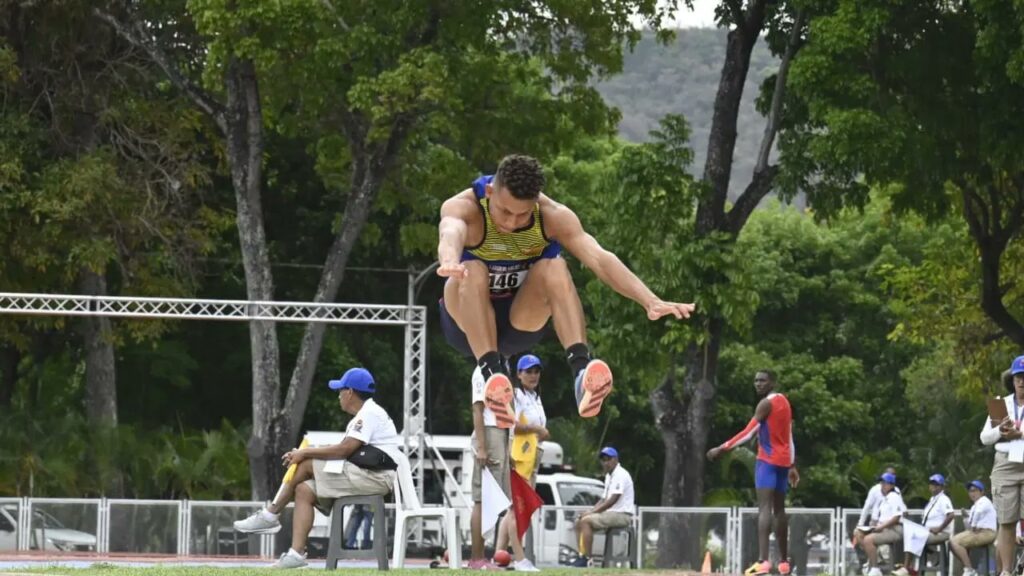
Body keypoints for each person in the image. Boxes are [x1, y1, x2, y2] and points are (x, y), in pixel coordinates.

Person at [436, 154, 695, 423]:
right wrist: (450, 260)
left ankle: (581, 374)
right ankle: (493, 378)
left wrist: (649, 300)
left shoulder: (552, 216)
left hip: (520, 322)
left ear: (535, 203)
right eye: (505, 211)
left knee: (555, 266)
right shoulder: (465, 207)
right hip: (466, 325)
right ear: (490, 192)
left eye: (522, 214)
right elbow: (450, 231)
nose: (512, 223)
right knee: (471, 270)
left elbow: (599, 258)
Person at [233, 367, 400, 569]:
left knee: (305, 463)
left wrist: (305, 453)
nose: (338, 395)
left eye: (340, 390)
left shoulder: (369, 414)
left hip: (375, 478)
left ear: (350, 393)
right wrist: (309, 452)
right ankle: (296, 554)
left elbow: (344, 450)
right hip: (367, 475)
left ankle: (270, 514)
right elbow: (344, 452)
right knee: (304, 489)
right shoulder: (366, 414)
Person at [707, 370, 799, 576]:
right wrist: (792, 464)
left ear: (773, 382)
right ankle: (784, 563)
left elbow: (748, 433)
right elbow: (789, 434)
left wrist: (722, 448)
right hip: (784, 461)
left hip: (767, 461)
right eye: (756, 380)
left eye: (763, 380)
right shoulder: (784, 401)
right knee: (779, 510)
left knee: (765, 508)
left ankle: (763, 561)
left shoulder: (765, 404)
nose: (758, 384)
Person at [466, 366, 537, 571]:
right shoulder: (482, 369)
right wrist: (481, 446)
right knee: (482, 498)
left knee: (495, 499)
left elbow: (505, 413)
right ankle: (477, 559)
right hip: (489, 434)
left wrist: (507, 451)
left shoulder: (501, 366)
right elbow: (478, 409)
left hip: (502, 435)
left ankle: (483, 558)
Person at [495, 354, 548, 563]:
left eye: (536, 371)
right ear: (519, 374)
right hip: (519, 456)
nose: (533, 375)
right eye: (528, 371)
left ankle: (499, 556)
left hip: (532, 455)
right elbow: (511, 424)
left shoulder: (535, 396)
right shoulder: (516, 395)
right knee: (518, 507)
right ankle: (518, 557)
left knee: (513, 509)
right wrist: (537, 428)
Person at [979, 357, 1024, 576]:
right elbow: (985, 438)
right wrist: (1001, 432)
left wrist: (1021, 433)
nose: (1022, 382)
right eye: (1018, 377)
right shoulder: (1001, 403)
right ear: (1012, 380)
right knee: (1006, 521)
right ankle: (1006, 571)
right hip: (1005, 464)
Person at [571, 446, 635, 568]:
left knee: (586, 521)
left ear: (616, 459)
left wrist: (591, 513)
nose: (606, 462)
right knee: (578, 522)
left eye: (608, 459)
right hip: (611, 513)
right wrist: (590, 511)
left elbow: (612, 500)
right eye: (603, 460)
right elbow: (603, 499)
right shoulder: (608, 476)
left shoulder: (621, 474)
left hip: (622, 515)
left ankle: (587, 560)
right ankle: (581, 555)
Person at [893, 474, 954, 576]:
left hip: (940, 533)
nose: (933, 486)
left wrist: (939, 528)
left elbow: (951, 515)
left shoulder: (943, 499)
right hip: (929, 531)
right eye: (932, 484)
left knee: (914, 536)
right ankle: (911, 567)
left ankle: (907, 567)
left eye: (936, 484)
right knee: (909, 530)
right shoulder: (932, 499)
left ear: (942, 487)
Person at [854, 472, 907, 576]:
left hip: (894, 529)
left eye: (885, 483)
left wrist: (881, 527)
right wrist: (875, 525)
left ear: (892, 485)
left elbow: (896, 517)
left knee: (868, 539)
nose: (882, 485)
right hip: (883, 527)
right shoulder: (885, 498)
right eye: (881, 483)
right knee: (858, 532)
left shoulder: (894, 496)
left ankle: (875, 568)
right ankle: (874, 559)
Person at [950, 480, 997, 576]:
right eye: (970, 491)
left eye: (975, 490)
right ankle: (969, 568)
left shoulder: (984, 501)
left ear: (982, 492)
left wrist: (973, 525)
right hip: (978, 532)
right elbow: (969, 527)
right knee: (952, 544)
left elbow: (977, 518)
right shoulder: (974, 507)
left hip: (987, 532)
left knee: (954, 542)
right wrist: (965, 518)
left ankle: (969, 569)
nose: (972, 493)